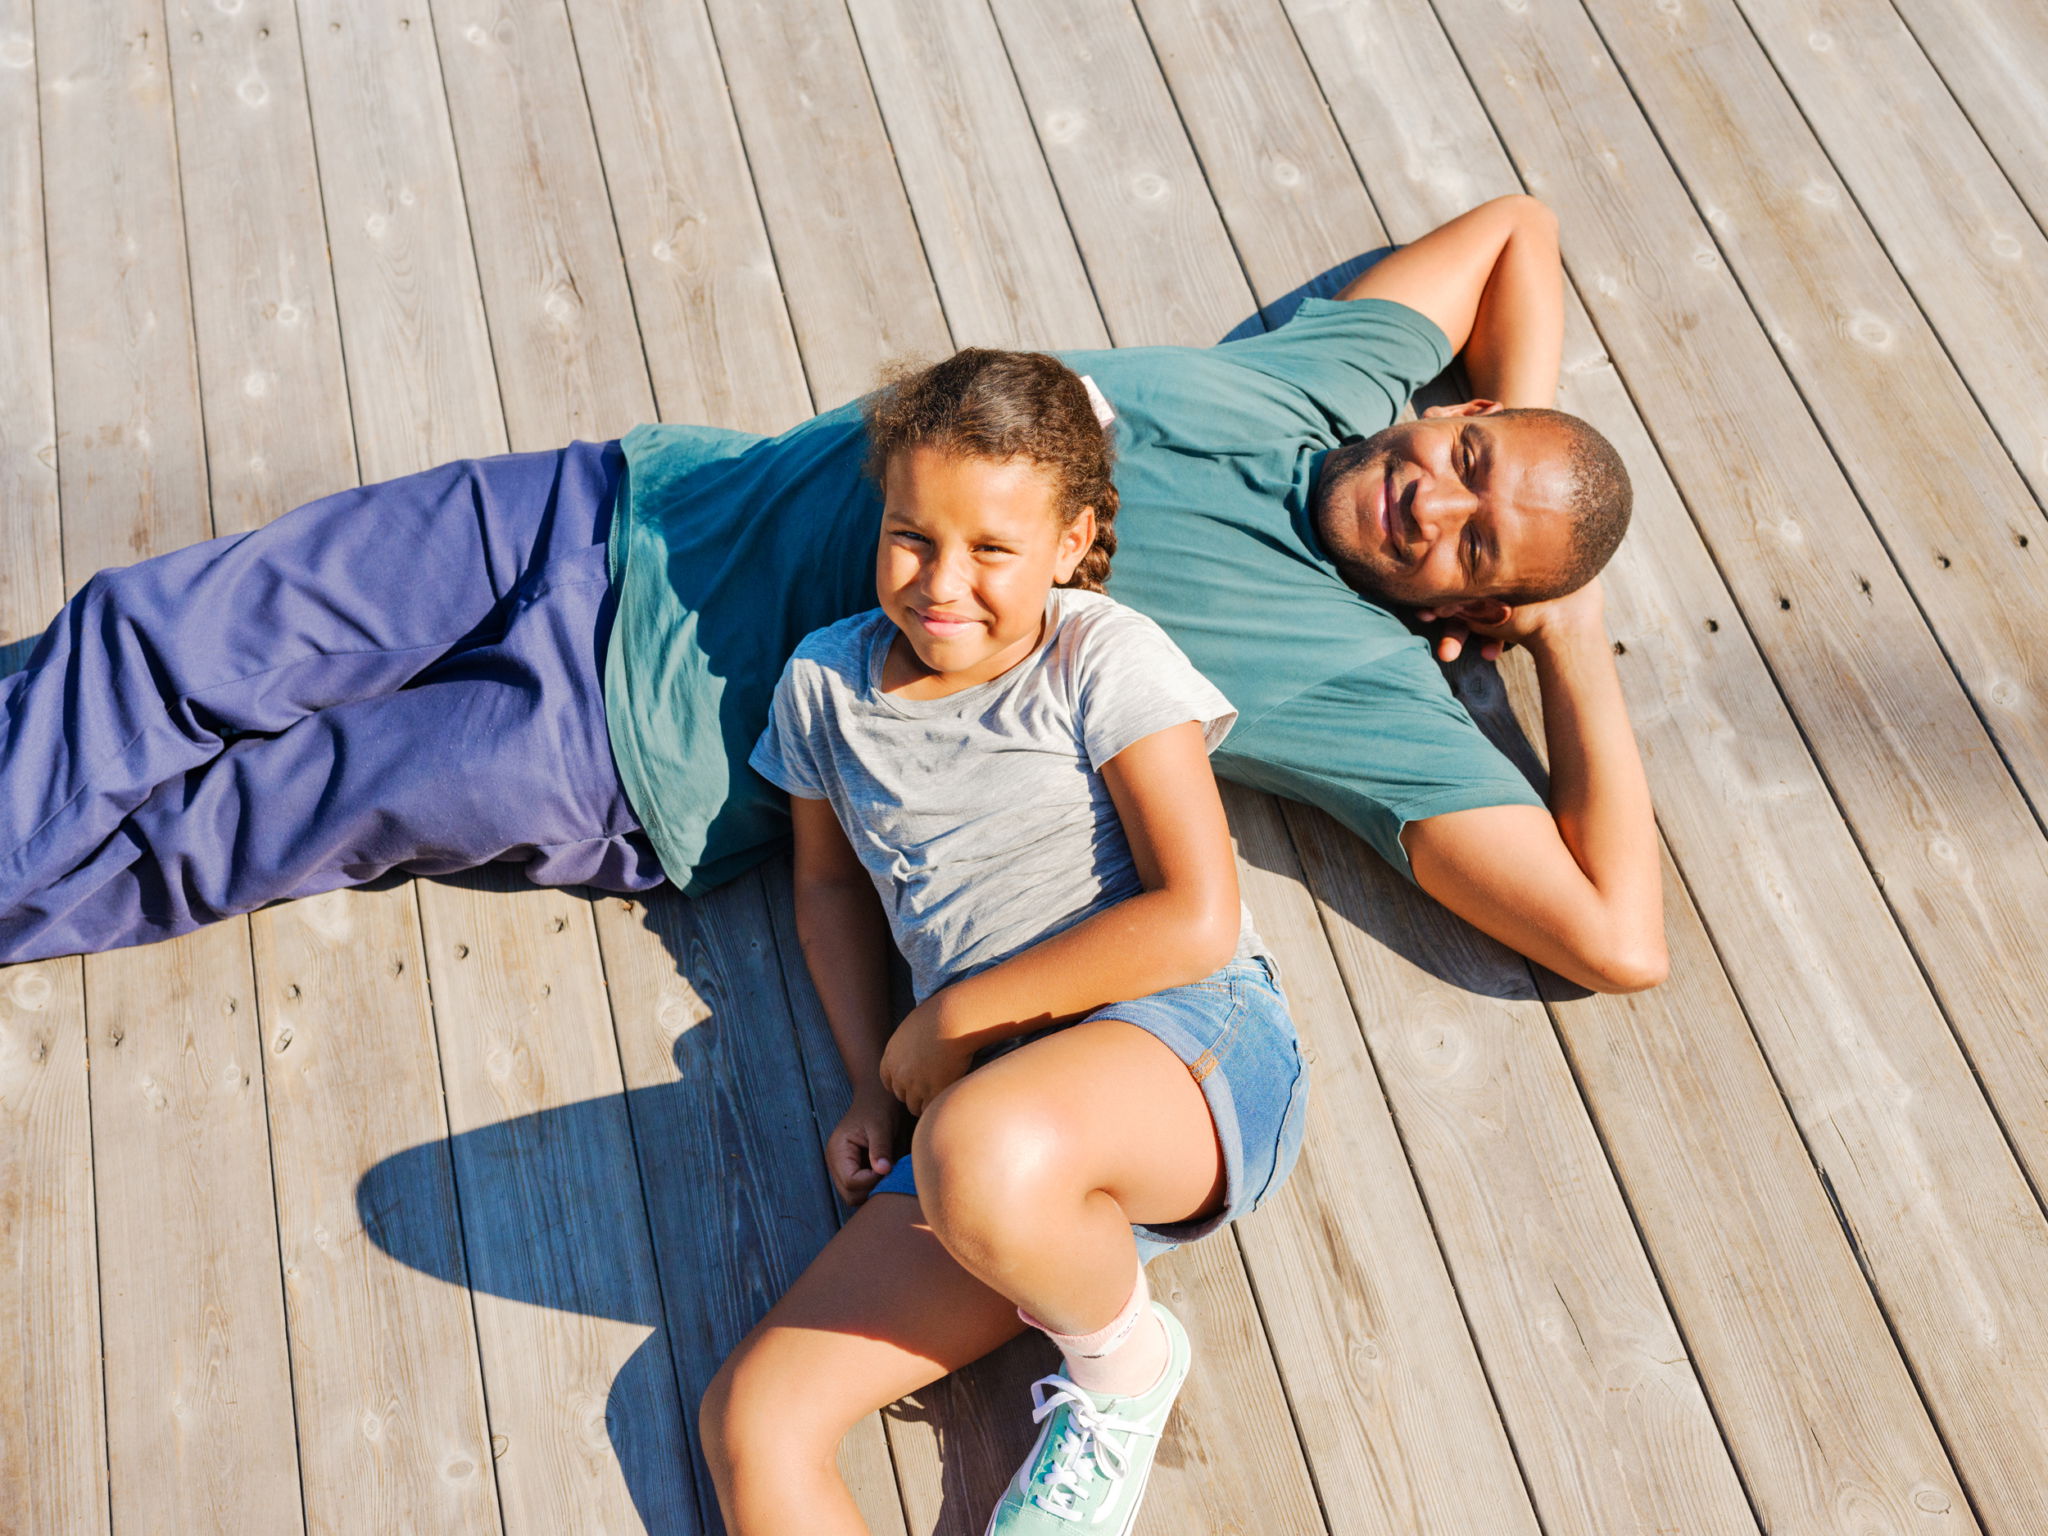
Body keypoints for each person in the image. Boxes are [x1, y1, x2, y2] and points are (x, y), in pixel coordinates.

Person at [0, 195, 1665, 992]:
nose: (1429, 500)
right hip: (616, 505)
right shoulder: (1327, 378)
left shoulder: (1361, 689)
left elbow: (1616, 939)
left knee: (221, 826)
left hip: (634, 749)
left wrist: (1564, 635)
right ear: (1445, 406)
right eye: (1462, 456)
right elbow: (1520, 230)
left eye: (1467, 546)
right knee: (147, 638)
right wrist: (1542, 492)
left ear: (1467, 607)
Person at [704, 348, 1306, 1535]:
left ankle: (1122, 1373)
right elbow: (828, 891)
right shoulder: (821, 685)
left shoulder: (1096, 654)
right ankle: (1059, 1257)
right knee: (753, 1421)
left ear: (1073, 541)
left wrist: (949, 1025)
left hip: (1182, 1044)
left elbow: (1197, 914)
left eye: (992, 550)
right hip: (980, 1132)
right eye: (912, 536)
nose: (942, 582)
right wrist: (873, 1079)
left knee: (977, 1140)